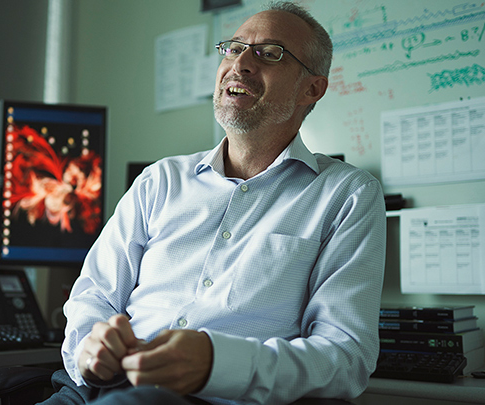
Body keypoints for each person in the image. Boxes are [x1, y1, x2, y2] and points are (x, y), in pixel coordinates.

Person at [45, 1, 386, 404]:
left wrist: (215, 364)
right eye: (234, 48)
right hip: (88, 389)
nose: (241, 62)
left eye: (269, 53)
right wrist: (90, 348)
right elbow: (94, 296)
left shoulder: (348, 195)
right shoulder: (160, 180)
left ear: (312, 88)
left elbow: (344, 357)